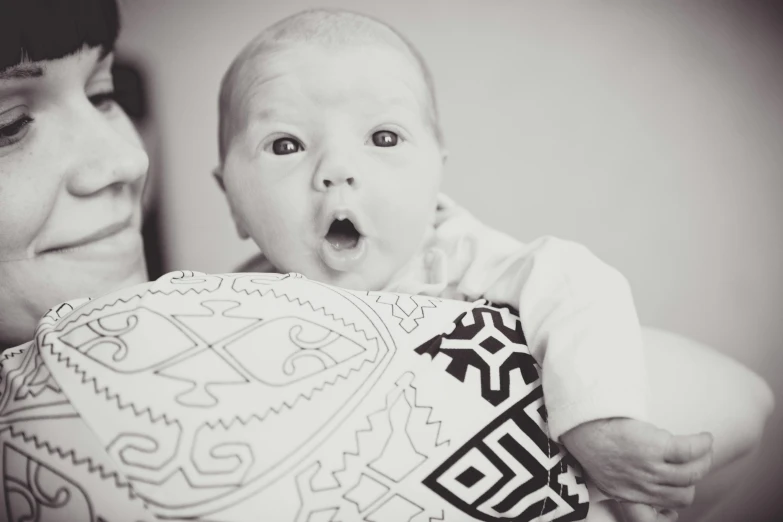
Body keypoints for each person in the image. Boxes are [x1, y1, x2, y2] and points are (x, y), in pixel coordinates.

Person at [0, 2, 772, 521]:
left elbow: (575, 286)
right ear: (229, 199)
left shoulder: (458, 252)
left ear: (438, 171)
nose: (337, 171)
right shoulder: (226, 303)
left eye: (382, 139)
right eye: (285, 145)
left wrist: (597, 419)